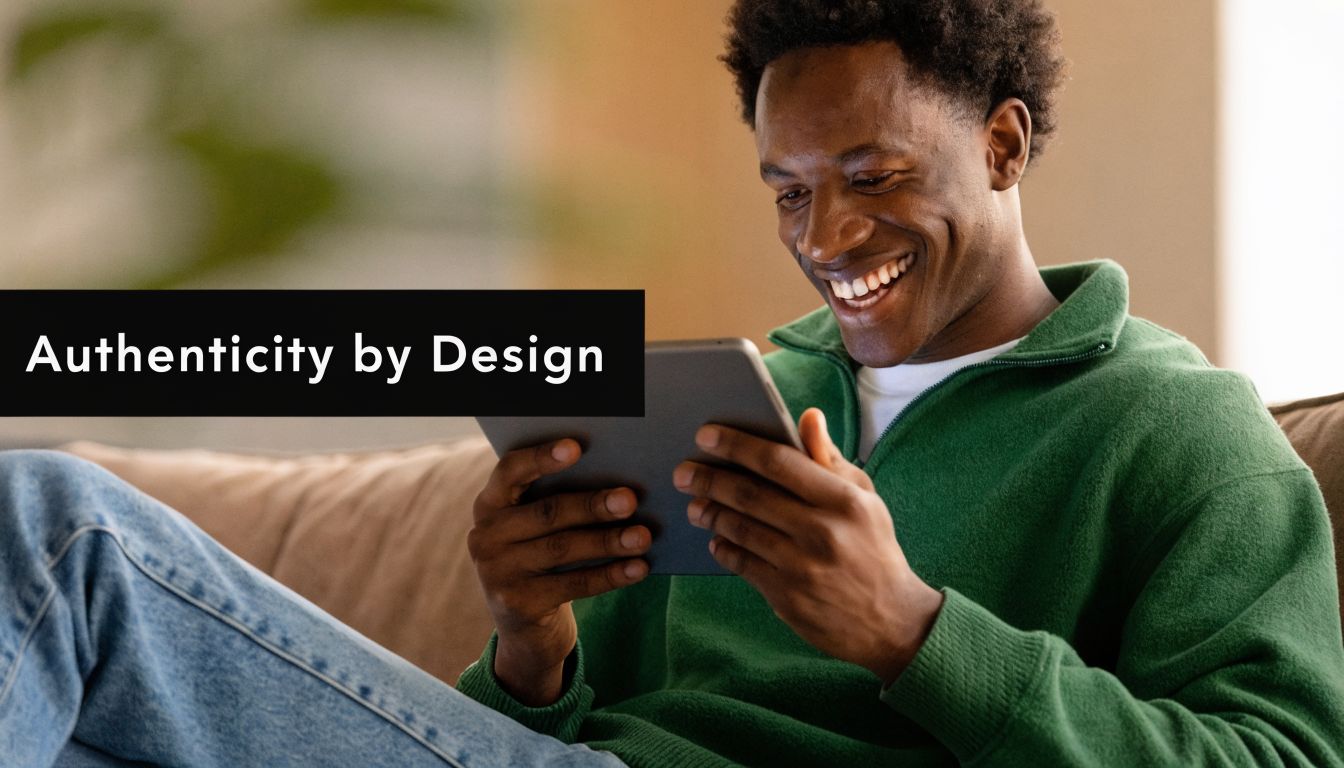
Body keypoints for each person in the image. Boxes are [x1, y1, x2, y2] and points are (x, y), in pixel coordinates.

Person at [0, 1, 1340, 767]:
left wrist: (914, 633)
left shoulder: (1178, 428)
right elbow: (573, 728)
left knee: (58, 529)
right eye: (789, 191)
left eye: (872, 177)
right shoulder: (740, 398)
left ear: (1003, 143)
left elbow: (1280, 758)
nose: (825, 240)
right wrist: (529, 642)